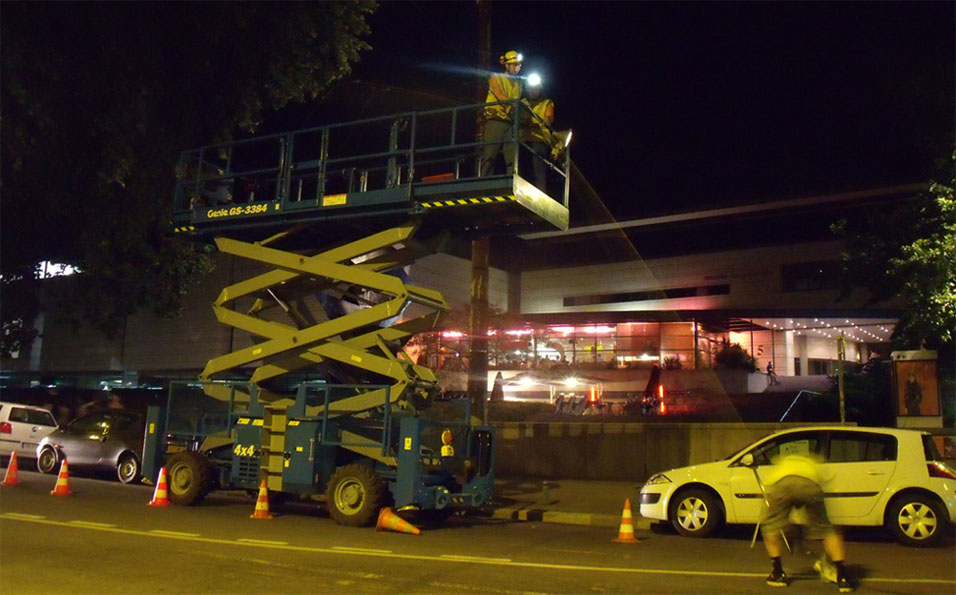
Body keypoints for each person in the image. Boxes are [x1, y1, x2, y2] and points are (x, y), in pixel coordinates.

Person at [759, 454, 853, 592]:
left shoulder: (783, 464)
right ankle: (842, 576)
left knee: (770, 526)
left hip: (782, 484)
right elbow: (823, 481)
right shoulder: (811, 464)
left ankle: (778, 572)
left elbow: (770, 484)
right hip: (810, 484)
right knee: (827, 529)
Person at [480, 50, 523, 177]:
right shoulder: (496, 77)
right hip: (495, 120)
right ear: (506, 65)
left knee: (511, 157)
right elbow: (499, 95)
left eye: (518, 65)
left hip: (509, 123)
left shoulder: (519, 85)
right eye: (514, 64)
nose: (517, 67)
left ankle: (511, 181)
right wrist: (515, 103)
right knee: (490, 155)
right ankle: (483, 182)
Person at [520, 75, 555, 192]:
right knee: (523, 169)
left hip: (539, 139)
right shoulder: (523, 103)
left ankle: (540, 192)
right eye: (530, 88)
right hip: (524, 139)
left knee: (538, 170)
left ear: (539, 90)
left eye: (535, 88)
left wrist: (543, 121)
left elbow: (549, 118)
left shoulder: (546, 103)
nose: (533, 91)